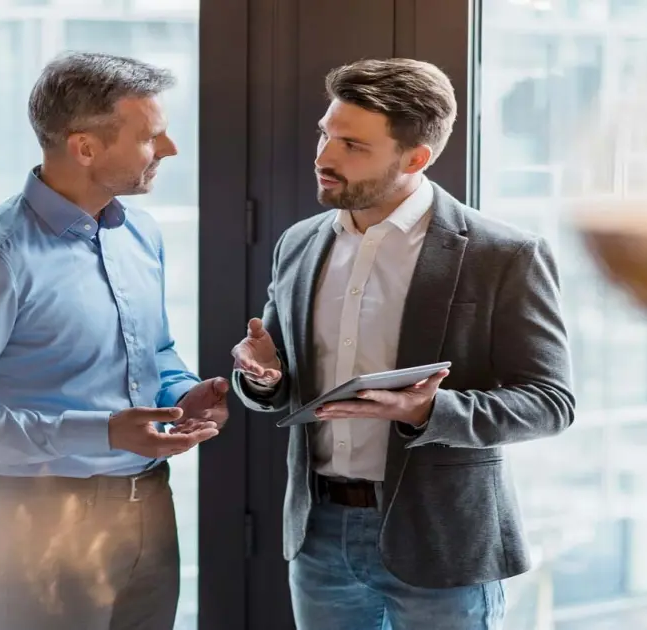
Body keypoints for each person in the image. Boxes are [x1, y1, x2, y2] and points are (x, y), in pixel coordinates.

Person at [231, 58, 575, 629]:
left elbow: (550, 404)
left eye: (352, 145)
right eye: (325, 133)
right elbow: (279, 377)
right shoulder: (298, 243)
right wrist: (263, 376)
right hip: (318, 536)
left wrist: (429, 410)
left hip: (443, 544)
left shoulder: (504, 255)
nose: (323, 157)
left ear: (415, 158)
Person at [0, 51, 228, 630]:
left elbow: (155, 351)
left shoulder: (139, 234)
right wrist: (99, 431)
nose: (169, 149)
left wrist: (183, 393)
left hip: (150, 508)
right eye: (151, 136)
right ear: (85, 147)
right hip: (38, 522)